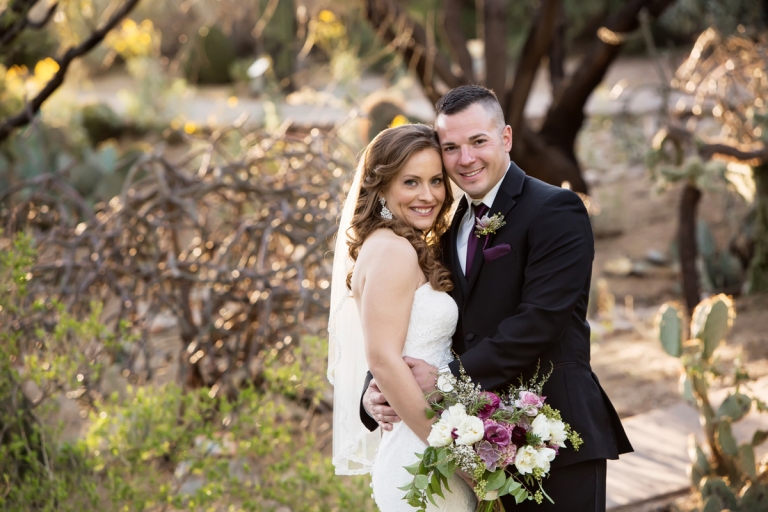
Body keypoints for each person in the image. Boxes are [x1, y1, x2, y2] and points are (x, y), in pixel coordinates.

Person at [361, 85, 633, 511]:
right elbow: (416, 316)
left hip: (553, 436)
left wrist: (447, 379)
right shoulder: (449, 228)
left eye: (478, 141)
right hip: (477, 443)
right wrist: (374, 390)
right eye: (451, 147)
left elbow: (539, 322)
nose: (465, 159)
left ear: (505, 138)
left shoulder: (555, 210)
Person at [327, 123, 476, 511]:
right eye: (411, 182)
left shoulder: (401, 244)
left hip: (423, 445)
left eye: (436, 181)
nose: (428, 196)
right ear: (383, 187)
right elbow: (382, 359)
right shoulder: (393, 250)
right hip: (423, 456)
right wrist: (458, 457)